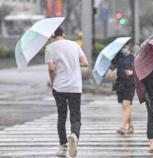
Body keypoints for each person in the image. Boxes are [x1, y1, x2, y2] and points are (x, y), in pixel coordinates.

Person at [45, 27, 89, 157]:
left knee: (62, 116)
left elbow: (52, 69)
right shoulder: (74, 45)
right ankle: (74, 135)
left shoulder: (50, 48)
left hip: (59, 87)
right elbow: (85, 63)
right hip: (75, 87)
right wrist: (73, 64)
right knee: (75, 115)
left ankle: (63, 147)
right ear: (63, 34)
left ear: (52, 36)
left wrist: (53, 82)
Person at [110, 41, 135, 135]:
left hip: (130, 83)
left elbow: (139, 71)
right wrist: (110, 61)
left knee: (126, 105)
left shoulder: (133, 58)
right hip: (120, 84)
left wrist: (132, 72)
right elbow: (112, 68)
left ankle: (123, 127)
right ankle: (131, 125)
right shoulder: (117, 57)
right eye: (122, 46)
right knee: (125, 107)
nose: (123, 48)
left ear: (129, 46)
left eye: (125, 46)